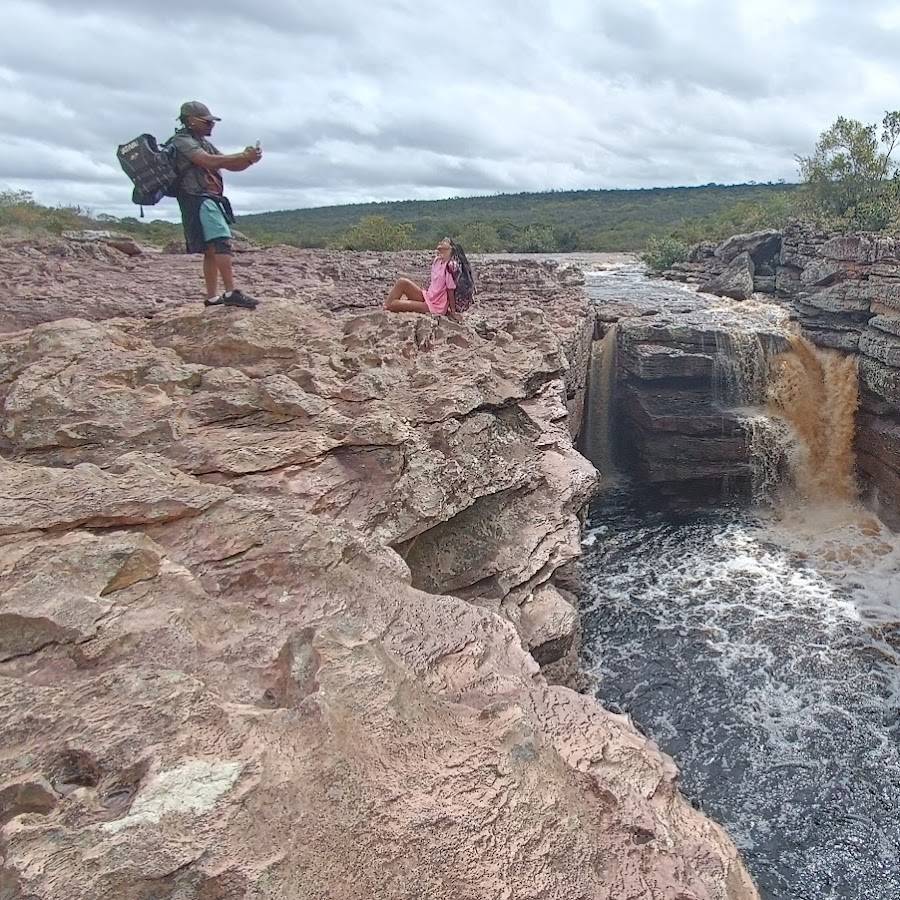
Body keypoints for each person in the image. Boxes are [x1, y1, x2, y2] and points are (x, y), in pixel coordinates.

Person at [169, 100, 262, 309]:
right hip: (197, 197)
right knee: (221, 239)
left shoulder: (201, 141)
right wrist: (242, 156)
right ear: (191, 120)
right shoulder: (182, 141)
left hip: (206, 197)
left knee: (210, 249)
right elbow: (209, 161)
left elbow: (225, 163)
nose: (211, 126)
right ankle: (230, 293)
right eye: (207, 122)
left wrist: (248, 160)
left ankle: (212, 298)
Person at [384, 237, 458, 317]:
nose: (441, 243)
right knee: (402, 282)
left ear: (450, 247)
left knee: (393, 304)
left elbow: (450, 290)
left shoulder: (450, 266)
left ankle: (387, 307)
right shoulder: (437, 261)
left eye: (445, 241)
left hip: (435, 305)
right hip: (428, 297)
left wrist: (453, 311)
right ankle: (386, 306)